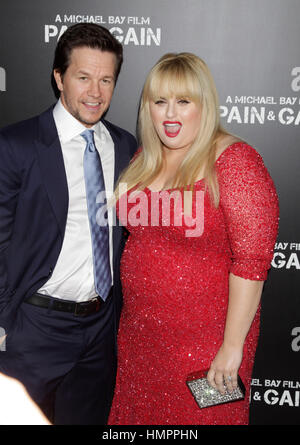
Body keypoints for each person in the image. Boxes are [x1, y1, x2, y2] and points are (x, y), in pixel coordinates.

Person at [108, 52, 279, 425]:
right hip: (140, 339)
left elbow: (252, 262)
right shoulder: (143, 159)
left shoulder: (235, 162)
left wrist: (232, 348)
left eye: (183, 101)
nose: (170, 114)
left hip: (205, 347)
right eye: (160, 101)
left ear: (205, 105)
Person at [0, 23, 137, 425]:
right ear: (59, 78)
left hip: (100, 331)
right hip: (33, 328)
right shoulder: (17, 144)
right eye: (83, 77)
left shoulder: (125, 145)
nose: (95, 93)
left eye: (106, 80)